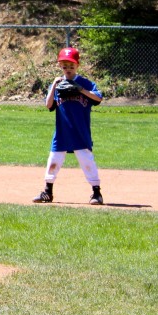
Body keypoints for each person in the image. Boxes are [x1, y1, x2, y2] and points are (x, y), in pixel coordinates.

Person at [33, 47, 106, 206]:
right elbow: (48, 105)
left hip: (80, 132)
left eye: (71, 66)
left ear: (77, 65)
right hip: (62, 133)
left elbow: (98, 98)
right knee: (53, 161)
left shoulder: (85, 83)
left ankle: (96, 193)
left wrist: (80, 89)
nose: (68, 69)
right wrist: (53, 85)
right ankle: (48, 192)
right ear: (60, 66)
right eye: (64, 66)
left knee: (87, 162)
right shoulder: (58, 84)